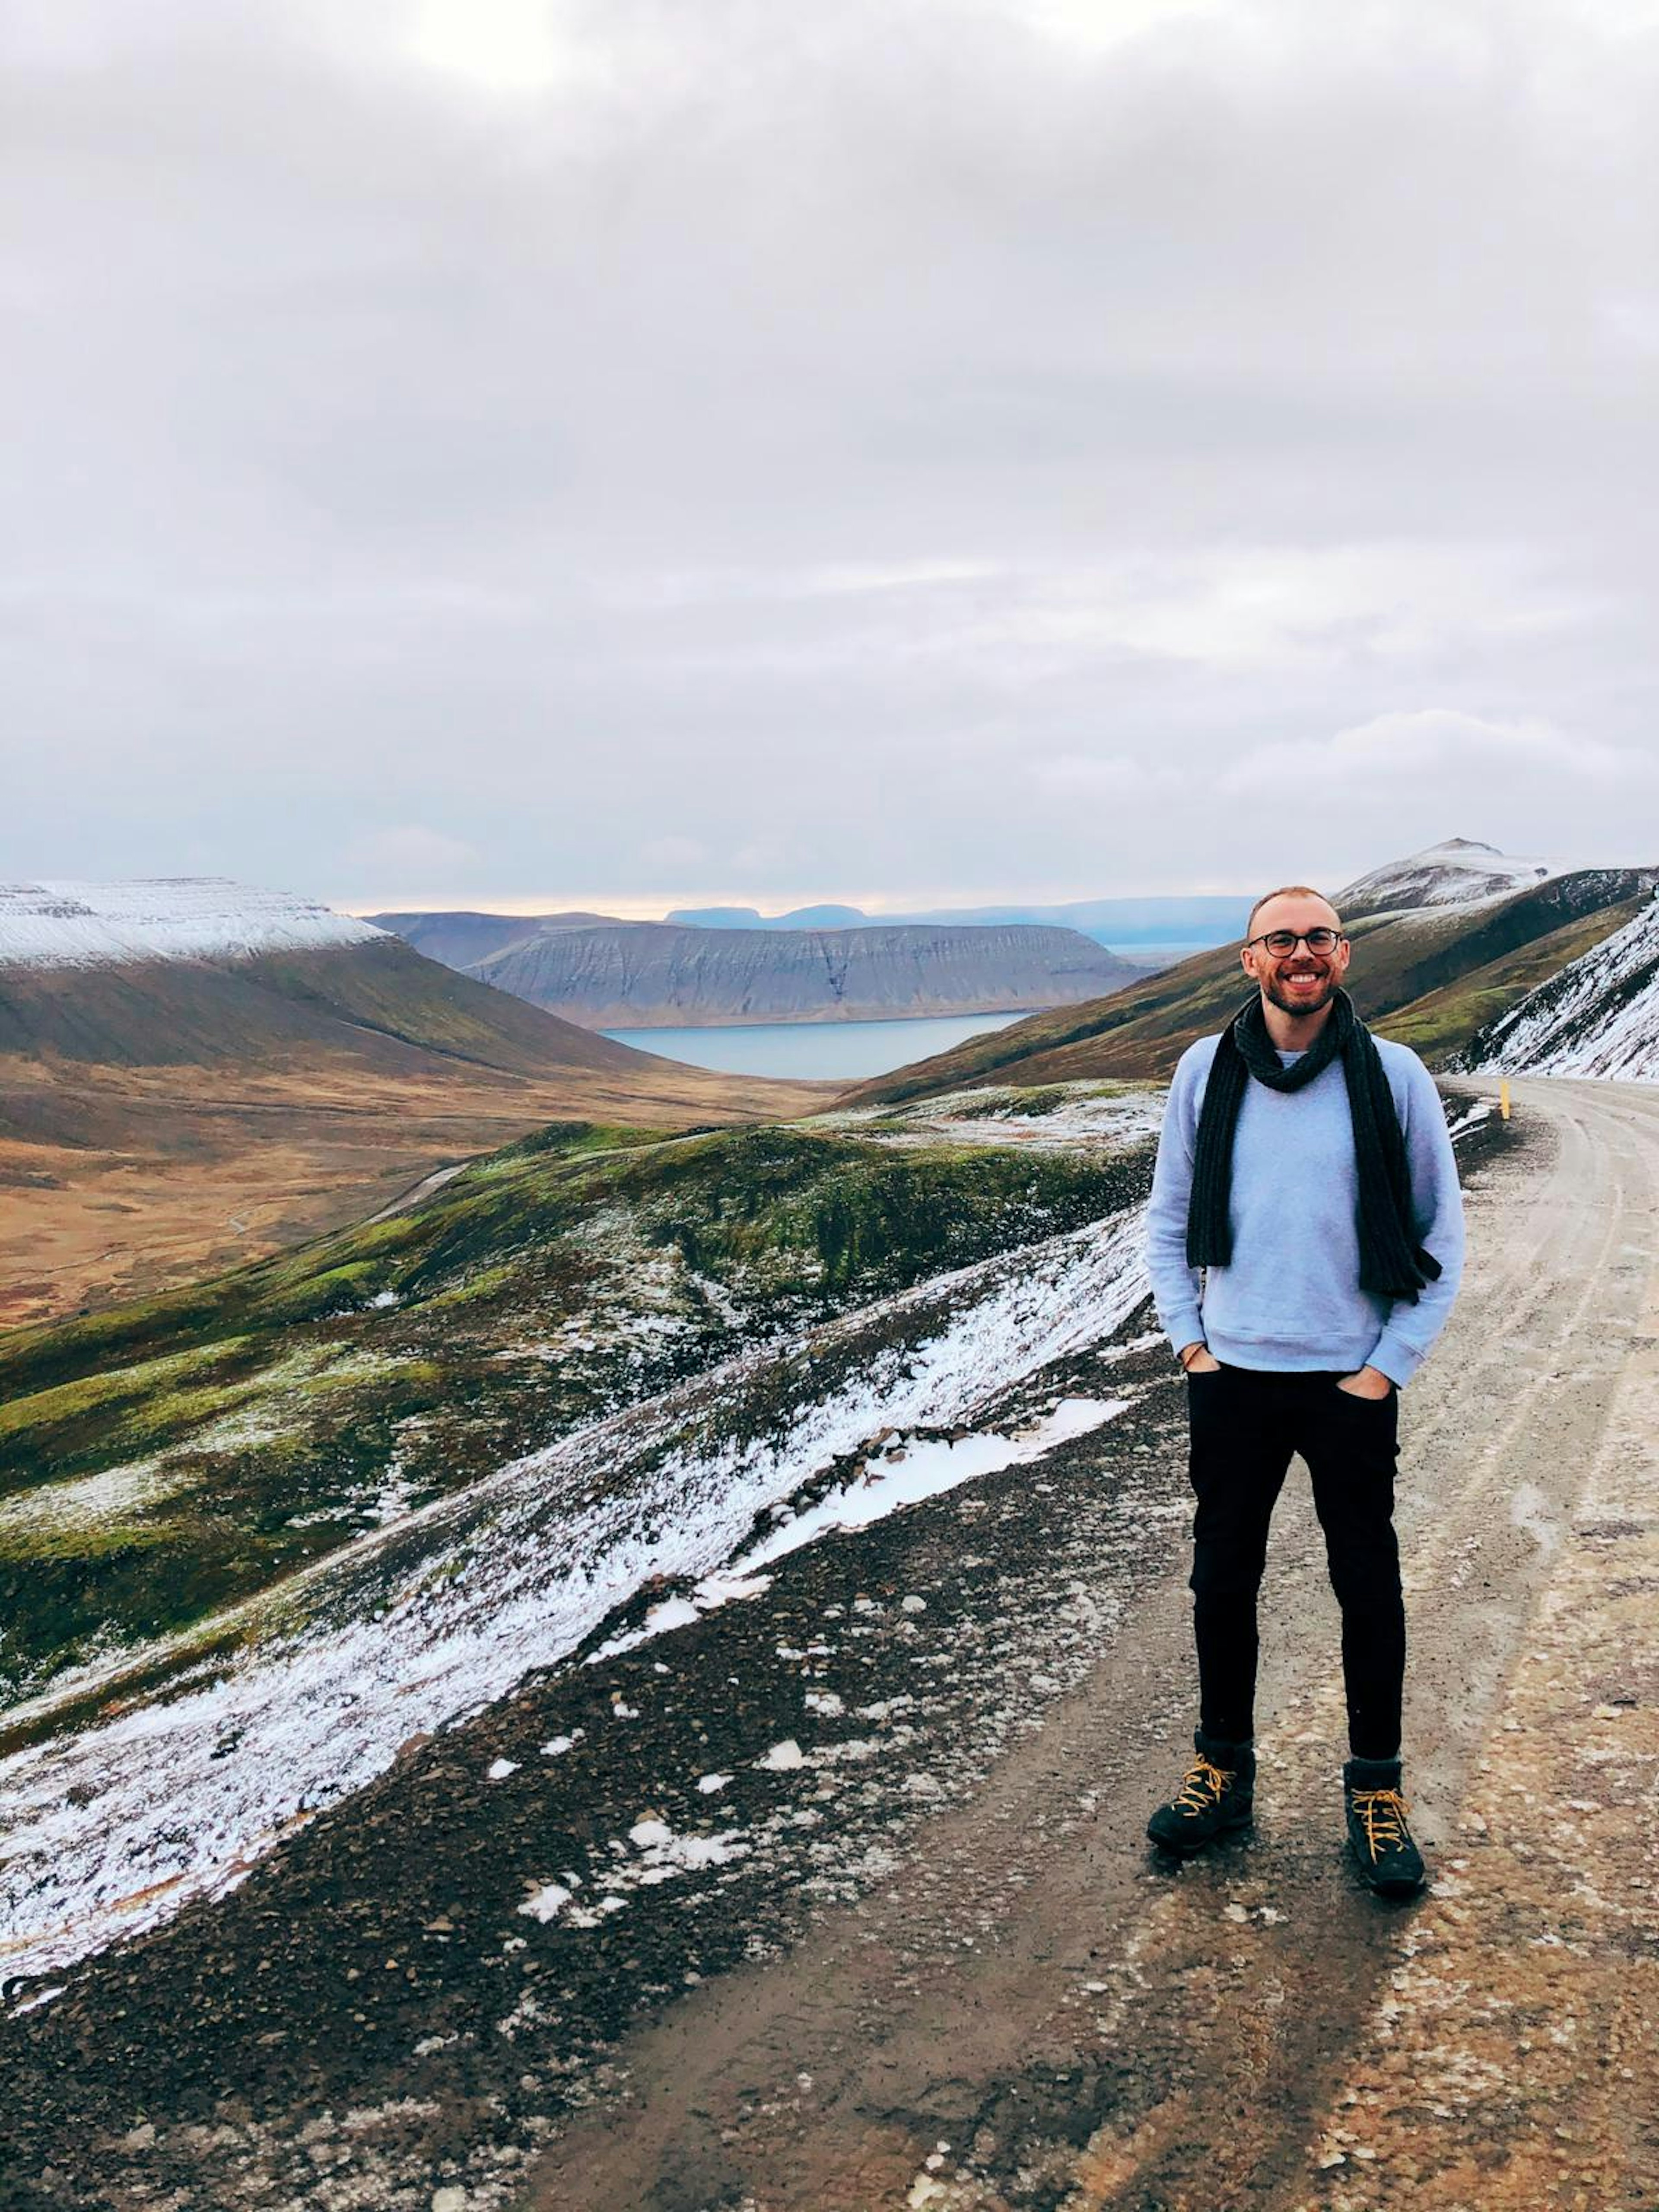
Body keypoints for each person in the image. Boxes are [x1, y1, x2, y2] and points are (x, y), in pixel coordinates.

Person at [1142, 884, 1464, 1894]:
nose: (1301, 953)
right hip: (1233, 1375)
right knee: (1221, 1582)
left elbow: (1439, 1237)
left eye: (1318, 937)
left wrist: (1386, 1367)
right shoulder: (1207, 1069)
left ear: (1344, 954)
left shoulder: (1395, 1076)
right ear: (1250, 961)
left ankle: (1376, 1790)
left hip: (1348, 1381)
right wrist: (1192, 1346)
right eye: (1281, 939)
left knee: (1365, 1583)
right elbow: (1166, 1218)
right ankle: (1222, 1772)